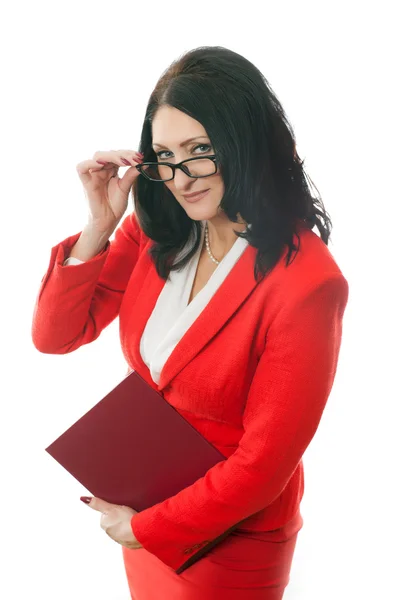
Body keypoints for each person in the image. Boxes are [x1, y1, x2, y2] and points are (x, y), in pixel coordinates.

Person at [31, 46, 349, 600]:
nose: (181, 178)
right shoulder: (161, 231)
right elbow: (56, 337)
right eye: (165, 155)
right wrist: (99, 227)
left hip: (230, 541)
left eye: (200, 150)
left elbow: (262, 468)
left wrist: (143, 528)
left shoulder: (308, 284)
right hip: (148, 507)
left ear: (245, 141)